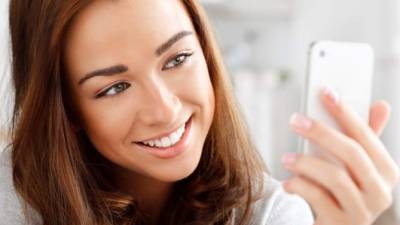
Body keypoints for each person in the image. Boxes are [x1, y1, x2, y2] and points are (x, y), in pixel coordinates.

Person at [0, 0, 397, 225]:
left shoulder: (269, 214)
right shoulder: (12, 203)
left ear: (206, 52)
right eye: (114, 88)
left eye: (178, 59)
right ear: (67, 110)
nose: (165, 110)